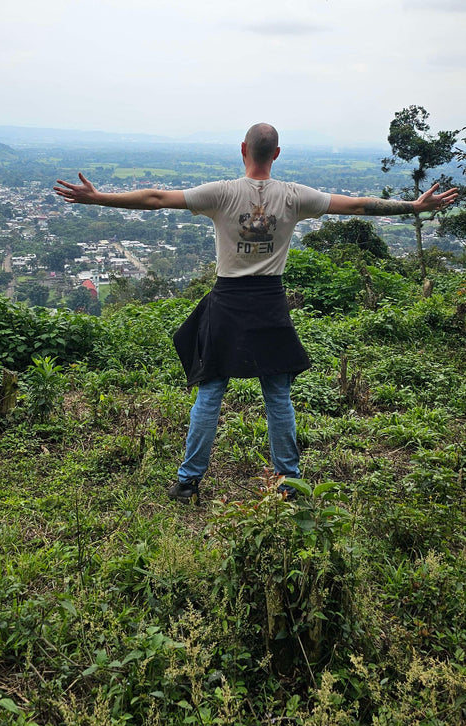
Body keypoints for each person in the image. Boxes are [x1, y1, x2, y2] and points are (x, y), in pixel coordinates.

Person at [54, 122, 458, 503]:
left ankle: (188, 481)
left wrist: (98, 197)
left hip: (227, 302)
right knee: (278, 397)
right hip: (269, 303)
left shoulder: (222, 193)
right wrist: (413, 205)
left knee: (210, 392)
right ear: (276, 153)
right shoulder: (296, 196)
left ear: (243, 150)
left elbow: (157, 199)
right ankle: (289, 482)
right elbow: (357, 206)